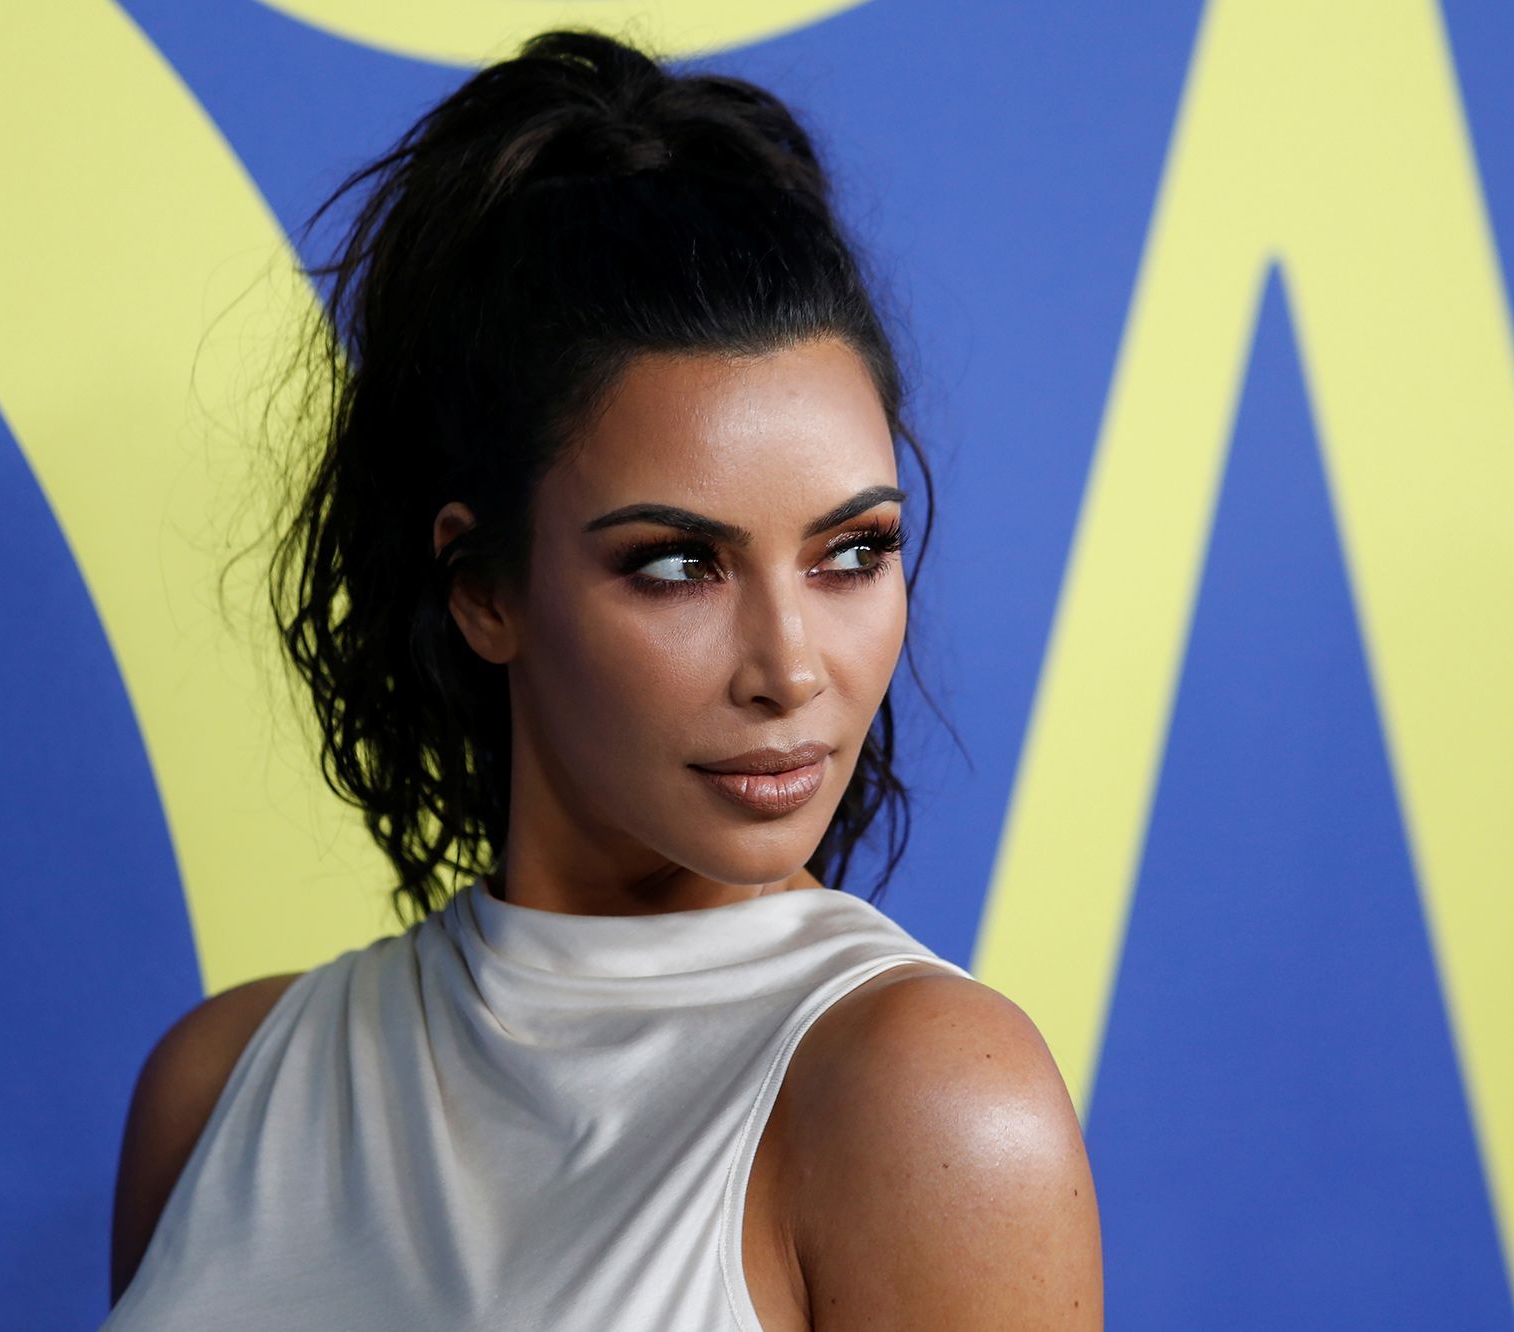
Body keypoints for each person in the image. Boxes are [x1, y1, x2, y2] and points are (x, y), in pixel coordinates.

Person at [102, 28, 1102, 1330]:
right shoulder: (219, 1086)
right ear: (484, 588)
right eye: (680, 565)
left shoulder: (926, 1100)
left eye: (852, 552)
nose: (793, 667)